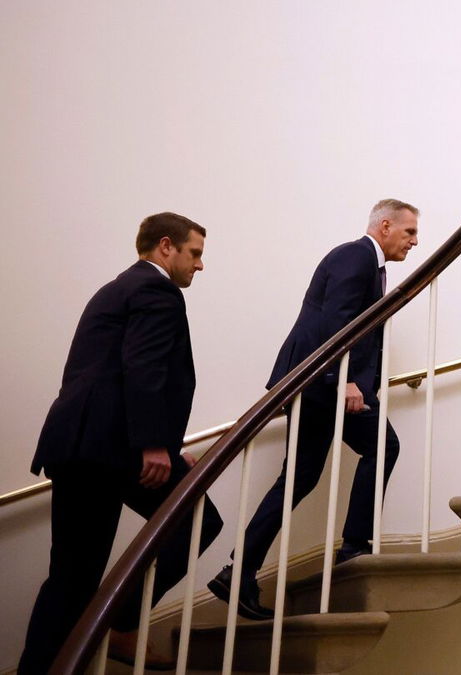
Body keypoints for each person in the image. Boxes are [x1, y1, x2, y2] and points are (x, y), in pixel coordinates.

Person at [20, 213, 223, 673]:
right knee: (197, 522)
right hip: (113, 450)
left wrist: (169, 449)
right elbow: (144, 366)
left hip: (81, 445)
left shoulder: (116, 289)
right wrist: (155, 445)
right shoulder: (157, 291)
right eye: (195, 253)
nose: (200, 265)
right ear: (166, 246)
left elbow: (108, 374)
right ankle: (124, 621)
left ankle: (53, 661)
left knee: (70, 578)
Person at [208, 199, 417, 620]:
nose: (415, 241)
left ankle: (240, 571)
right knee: (383, 447)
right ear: (386, 226)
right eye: (410, 232)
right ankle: (355, 547)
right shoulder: (355, 255)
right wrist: (348, 380)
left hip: (316, 385)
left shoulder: (367, 264)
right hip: (324, 384)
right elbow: (337, 322)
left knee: (299, 478)